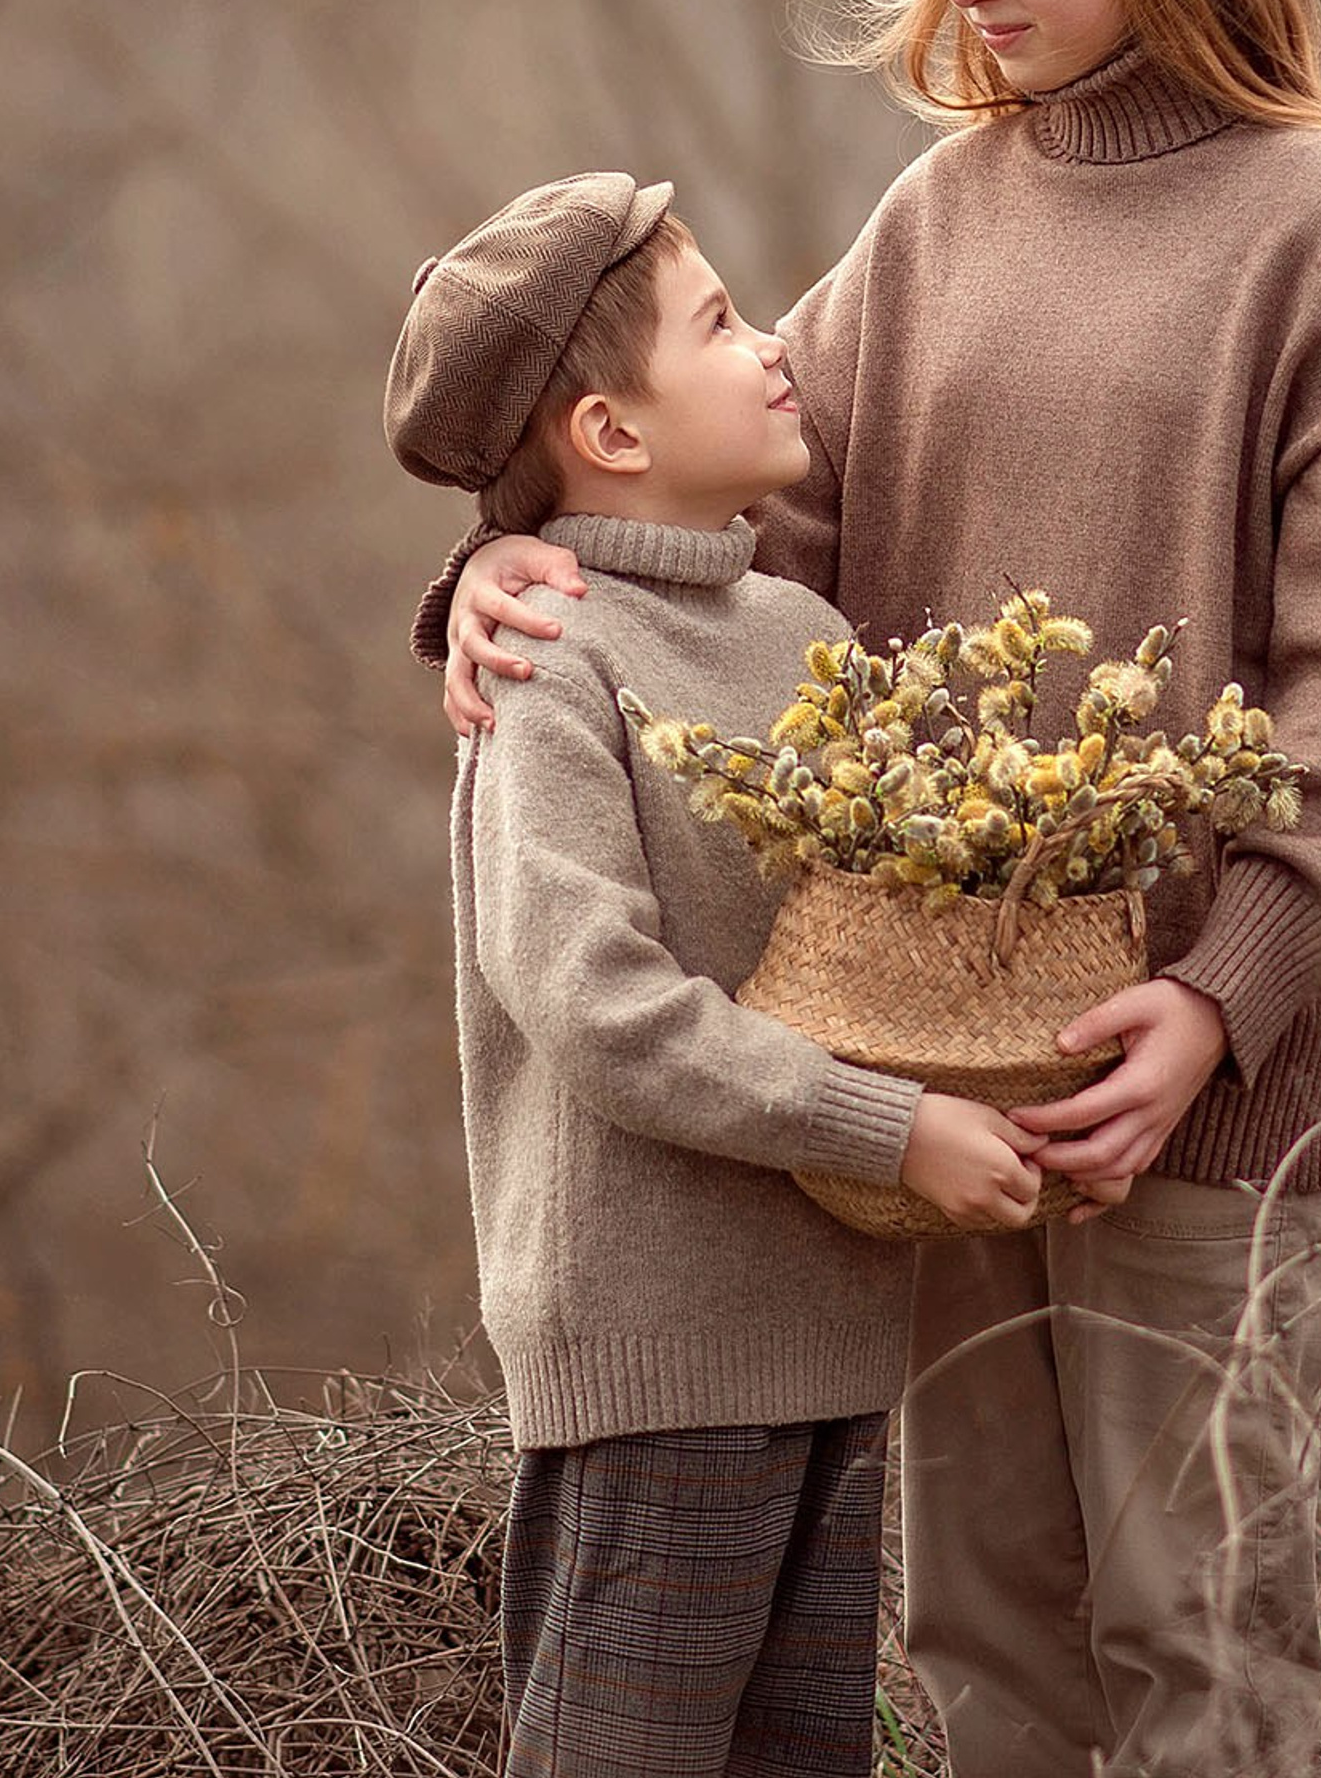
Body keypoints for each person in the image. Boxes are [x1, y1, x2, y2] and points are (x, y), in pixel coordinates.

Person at [416, 0, 1321, 1776]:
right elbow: (692, 484)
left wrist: (1217, 999)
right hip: (939, 1069)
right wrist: (487, 569)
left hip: (1203, 1086)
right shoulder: (935, 218)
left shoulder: (1316, 227)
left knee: (1205, 1631)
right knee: (989, 1625)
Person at [383, 171, 1047, 1778]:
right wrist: (895, 1131)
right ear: (610, 432)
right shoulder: (554, 658)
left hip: (827, 1331)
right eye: (722, 326)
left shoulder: (797, 628)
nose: (774, 350)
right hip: (652, 1360)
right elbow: (597, 1007)